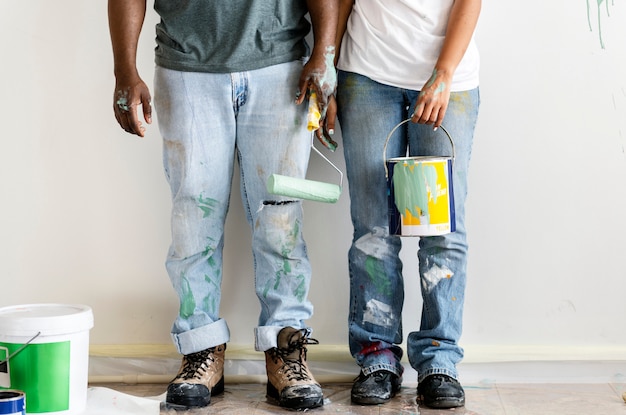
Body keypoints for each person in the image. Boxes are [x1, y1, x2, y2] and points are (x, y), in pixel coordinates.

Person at [107, 0, 338, 410]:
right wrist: (124, 69)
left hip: (281, 65)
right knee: (193, 219)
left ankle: (286, 345)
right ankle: (201, 347)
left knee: (281, 219)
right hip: (186, 67)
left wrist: (324, 53)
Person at [334, 0, 481, 409]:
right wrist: (328, 65)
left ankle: (440, 358)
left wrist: (444, 72)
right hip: (366, 72)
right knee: (374, 229)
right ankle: (376, 356)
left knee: (441, 230)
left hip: (448, 80)